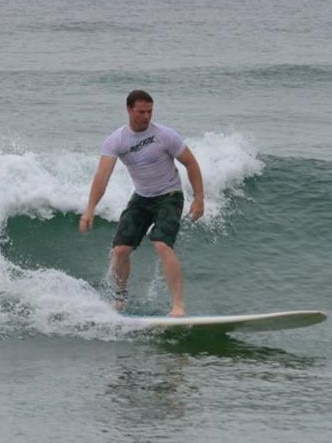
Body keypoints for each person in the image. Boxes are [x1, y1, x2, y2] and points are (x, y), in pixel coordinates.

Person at [79, 90, 204, 317]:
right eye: (141, 112)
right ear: (129, 110)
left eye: (149, 111)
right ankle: (120, 297)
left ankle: (178, 306)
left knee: (161, 244)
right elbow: (102, 176)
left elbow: (191, 163)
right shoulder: (117, 140)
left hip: (170, 196)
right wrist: (89, 210)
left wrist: (199, 198)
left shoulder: (165, 135)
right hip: (142, 198)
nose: (146, 116)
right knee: (120, 251)